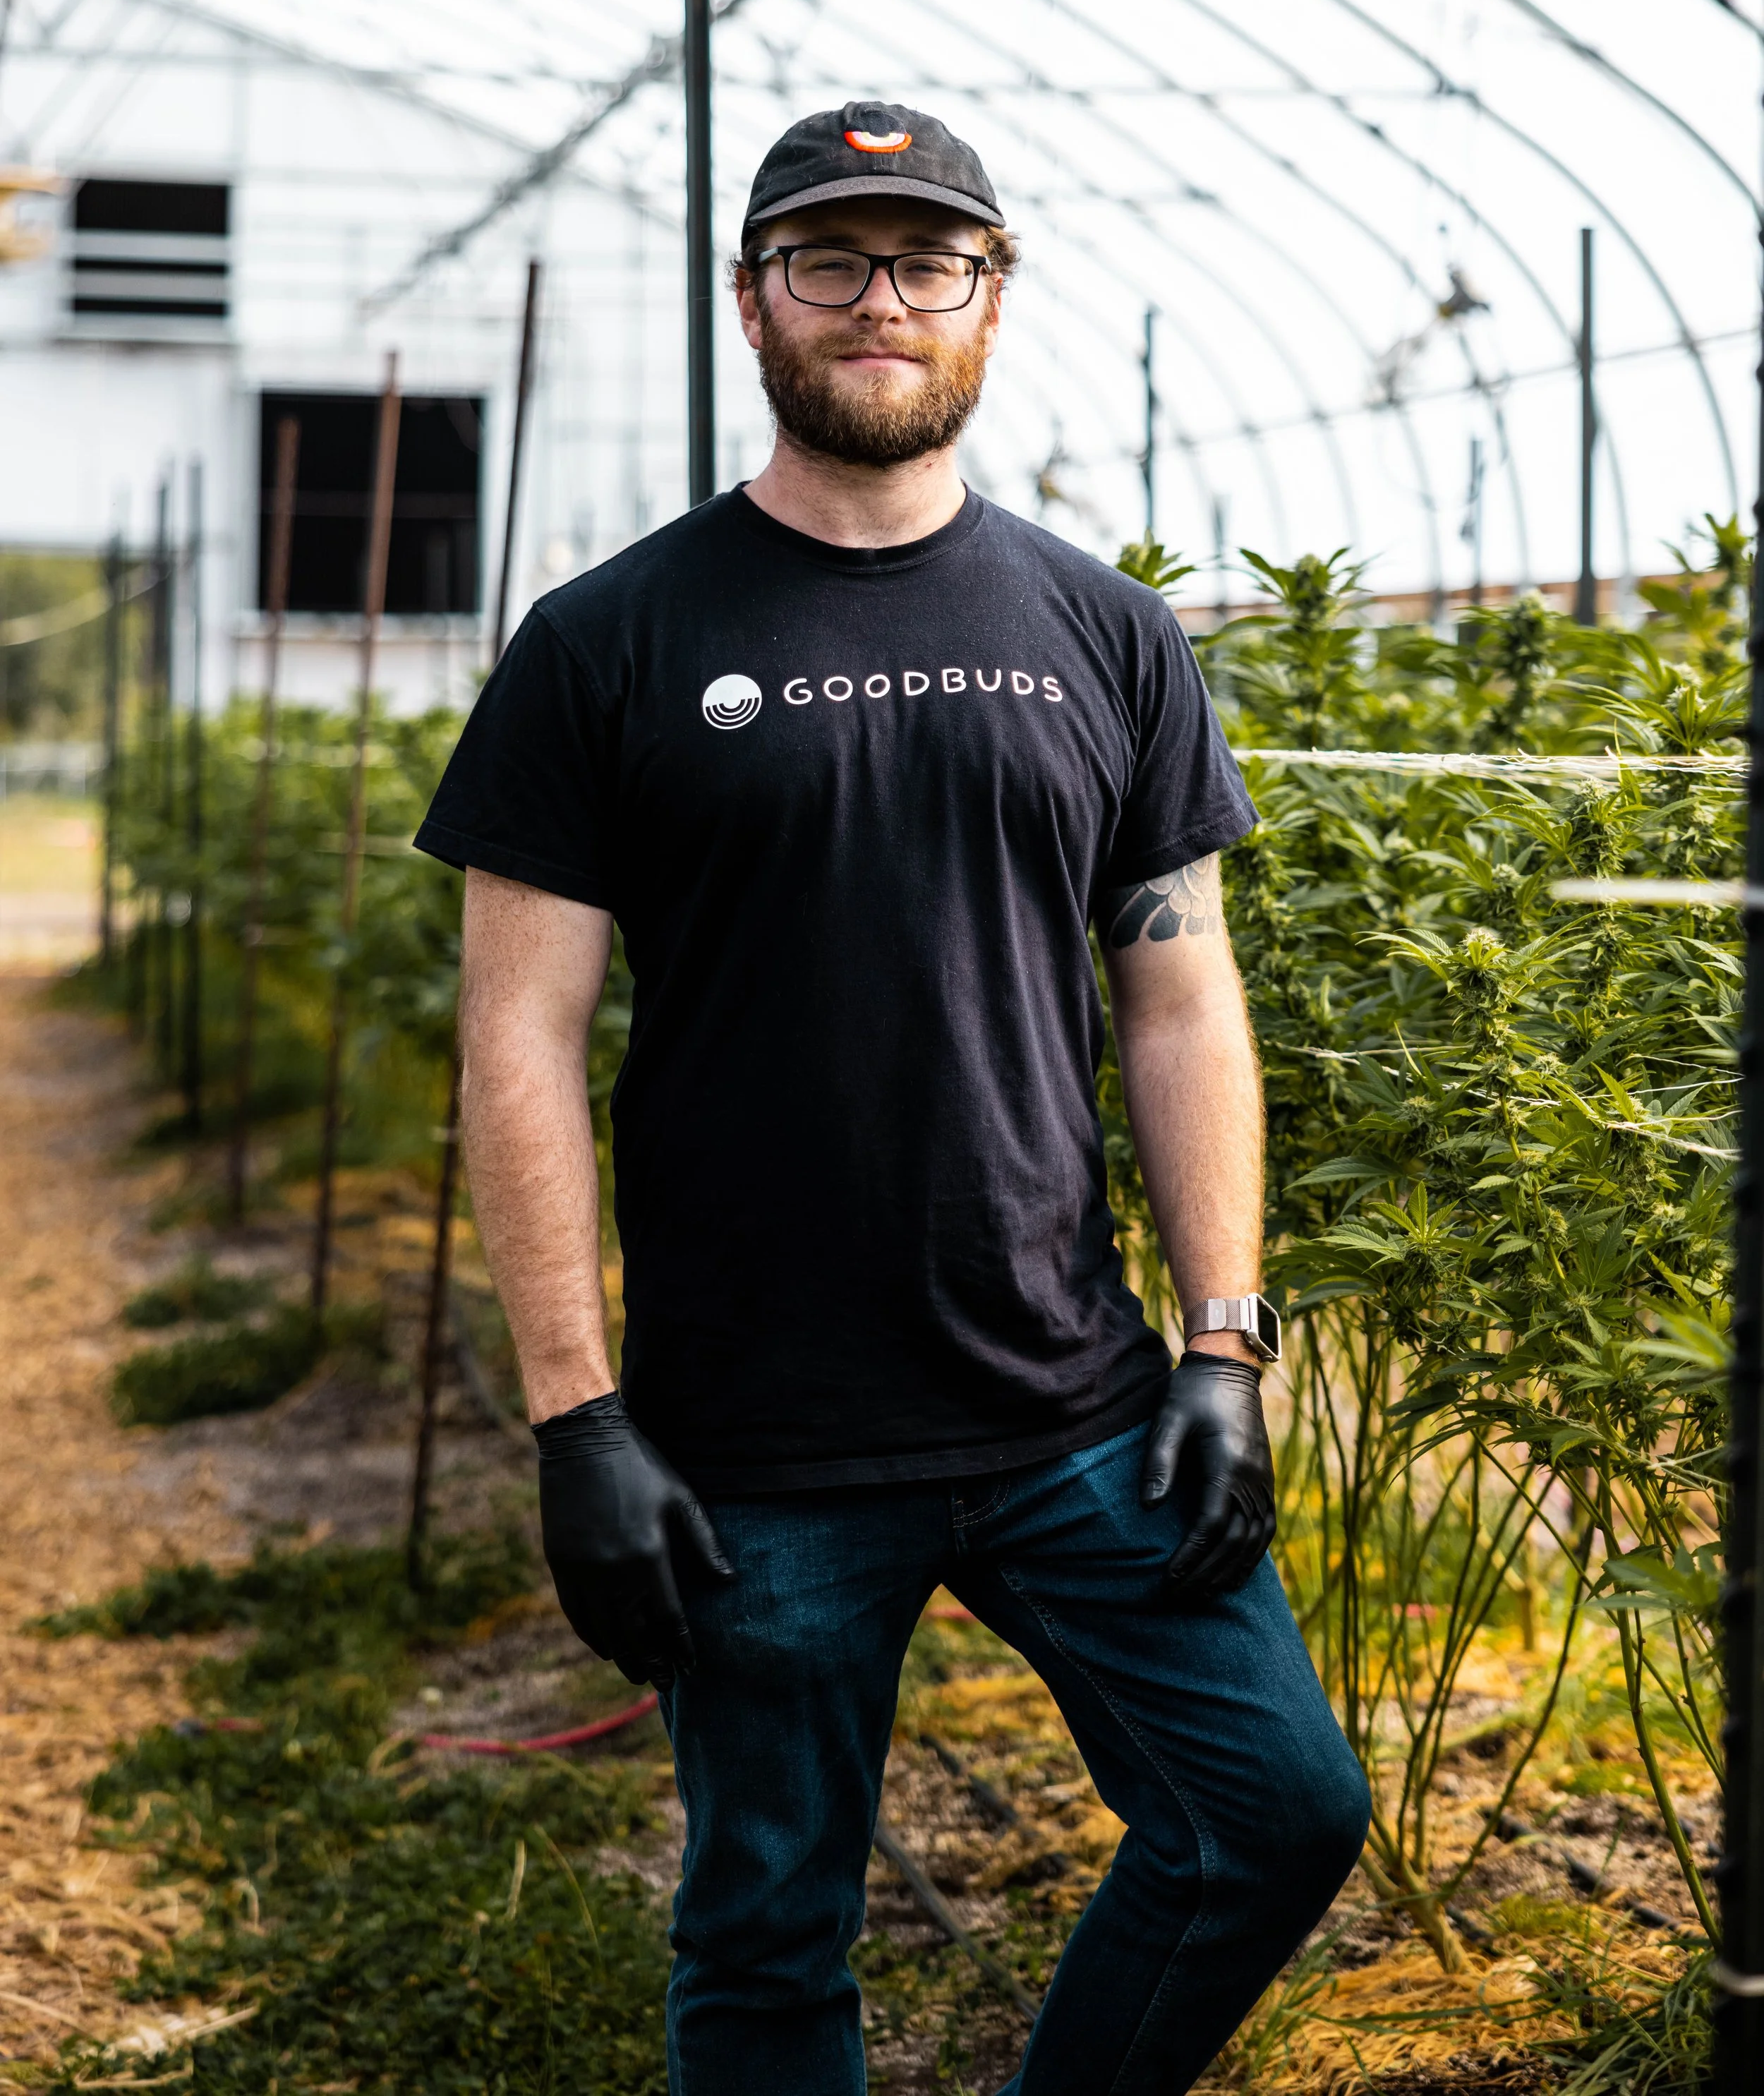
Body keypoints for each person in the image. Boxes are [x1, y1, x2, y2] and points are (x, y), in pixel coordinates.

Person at [415, 101, 1370, 2095]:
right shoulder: (609, 640)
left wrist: (1223, 1341)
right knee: (766, 1929)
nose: (880, 301)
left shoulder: (1102, 632)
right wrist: (577, 1417)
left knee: (1272, 1811)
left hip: (1077, 1404)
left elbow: (1179, 996)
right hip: (751, 1441)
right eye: (829, 260)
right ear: (753, 300)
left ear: (989, 302)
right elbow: (516, 1042)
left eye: (928, 261)